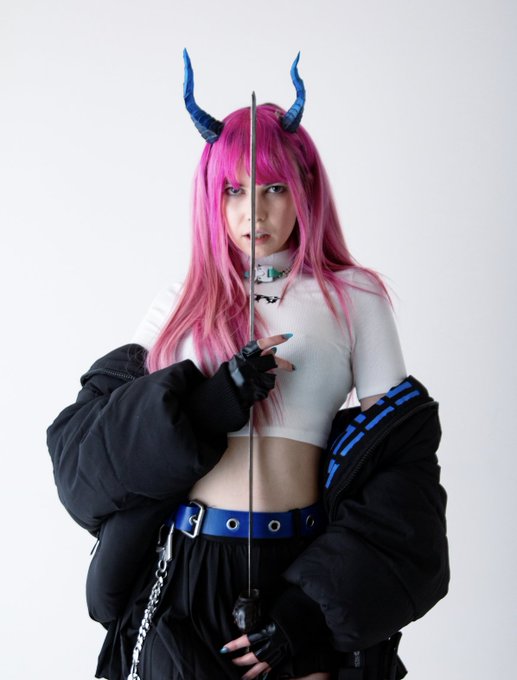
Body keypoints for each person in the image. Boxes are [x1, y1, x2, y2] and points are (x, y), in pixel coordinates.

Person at [47, 53, 449, 680]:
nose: (253, 212)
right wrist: (204, 409)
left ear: (305, 187)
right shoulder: (178, 304)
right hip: (188, 574)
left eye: (273, 188)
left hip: (304, 568)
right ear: (213, 196)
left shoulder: (356, 296)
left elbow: (403, 468)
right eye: (233, 190)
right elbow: (85, 457)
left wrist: (313, 612)